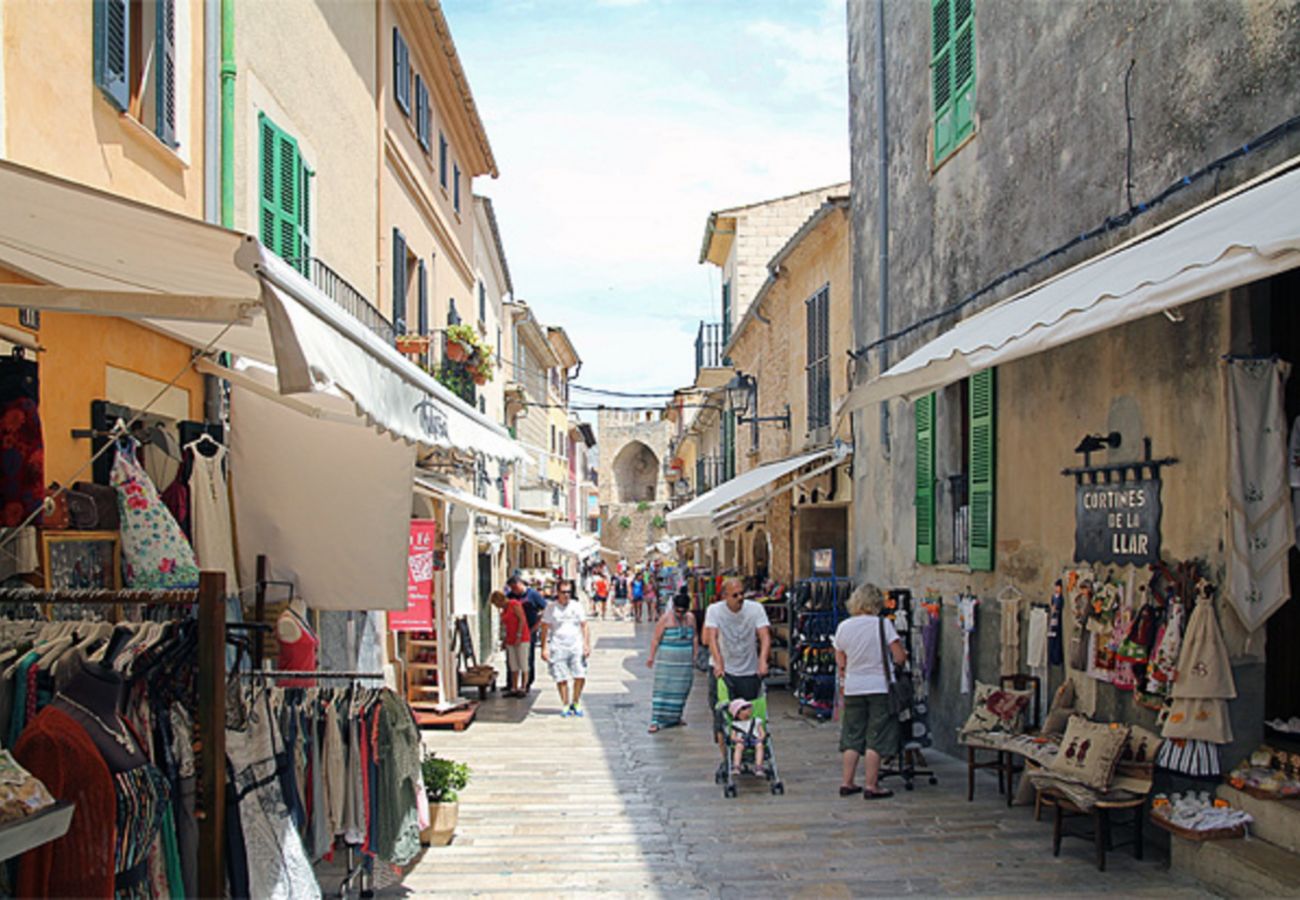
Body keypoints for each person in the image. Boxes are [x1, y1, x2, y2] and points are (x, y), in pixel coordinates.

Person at [833, 582, 907, 799]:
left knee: (852, 735)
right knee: (876, 735)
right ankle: (871, 785)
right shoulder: (883, 625)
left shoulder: (844, 627)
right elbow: (899, 656)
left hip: (853, 687)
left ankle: (847, 782)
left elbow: (841, 660)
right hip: (879, 687)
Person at [702, 577, 771, 762]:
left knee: (751, 714)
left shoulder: (755, 609)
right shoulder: (714, 610)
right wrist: (718, 662)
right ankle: (727, 759)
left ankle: (750, 753)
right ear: (725, 596)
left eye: (742, 593)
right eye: (735, 595)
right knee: (722, 717)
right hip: (724, 673)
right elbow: (711, 638)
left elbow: (764, 636)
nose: (740, 597)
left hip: (749, 670)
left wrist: (763, 660)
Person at [645, 588, 696, 732]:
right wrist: (651, 657)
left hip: (684, 662)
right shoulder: (665, 619)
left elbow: (695, 637)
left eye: (683, 611)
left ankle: (676, 717)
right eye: (678, 611)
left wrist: (695, 655)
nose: (680, 614)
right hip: (668, 662)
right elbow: (656, 639)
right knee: (662, 689)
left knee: (682, 689)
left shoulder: (691, 618)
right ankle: (655, 720)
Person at [539, 580, 591, 717]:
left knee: (580, 675)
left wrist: (586, 644)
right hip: (558, 646)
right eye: (563, 592)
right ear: (558, 592)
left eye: (568, 592)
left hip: (575, 646)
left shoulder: (577, 606)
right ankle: (566, 704)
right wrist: (544, 648)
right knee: (561, 678)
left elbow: (584, 625)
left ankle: (576, 701)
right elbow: (544, 628)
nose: (566, 595)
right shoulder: (551, 608)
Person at [508, 575, 547, 692]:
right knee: (512, 659)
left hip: (530, 630)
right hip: (514, 631)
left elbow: (546, 609)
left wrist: (537, 625)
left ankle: (527, 683)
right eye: (511, 588)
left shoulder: (533, 594)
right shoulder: (511, 596)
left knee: (528, 658)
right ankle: (511, 684)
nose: (514, 591)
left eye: (515, 588)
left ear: (520, 584)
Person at [492, 589, 530, 698]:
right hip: (510, 639)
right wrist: (504, 640)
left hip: (521, 638)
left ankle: (523, 687)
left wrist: (519, 635)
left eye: (496, 603)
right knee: (513, 664)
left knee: (523, 663)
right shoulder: (503, 611)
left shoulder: (514, 604)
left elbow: (522, 619)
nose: (497, 606)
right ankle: (514, 687)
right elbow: (505, 627)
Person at [728, 698, 767, 775]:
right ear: (738, 714)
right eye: (744, 708)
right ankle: (736, 766)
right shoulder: (736, 724)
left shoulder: (756, 721)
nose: (748, 709)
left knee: (759, 746)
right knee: (738, 747)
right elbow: (733, 736)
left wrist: (761, 737)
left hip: (754, 739)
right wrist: (737, 739)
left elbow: (762, 732)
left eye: (748, 707)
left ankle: (759, 766)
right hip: (742, 740)